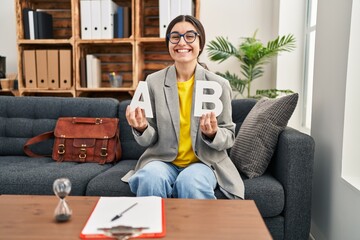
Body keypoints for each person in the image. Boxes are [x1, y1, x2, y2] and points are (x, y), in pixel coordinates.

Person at [121, 15, 244, 199]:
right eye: (175, 36)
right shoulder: (153, 82)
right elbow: (148, 139)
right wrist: (141, 128)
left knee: (191, 181)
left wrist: (212, 133)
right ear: (169, 43)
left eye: (190, 36)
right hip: (163, 160)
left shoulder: (218, 84)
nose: (182, 42)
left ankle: (196, 228)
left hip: (204, 163)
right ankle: (153, 227)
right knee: (149, 177)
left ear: (200, 43)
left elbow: (229, 137)